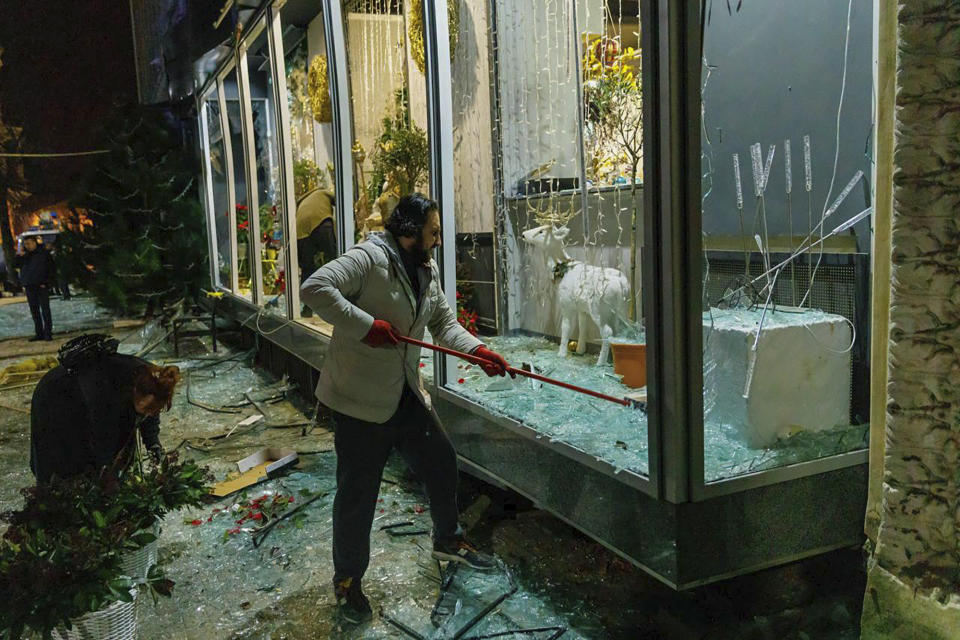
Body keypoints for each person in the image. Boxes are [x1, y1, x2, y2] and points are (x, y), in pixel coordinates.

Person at [301, 193, 512, 624]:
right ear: (409, 231)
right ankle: (347, 581)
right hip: (360, 402)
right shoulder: (368, 257)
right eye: (433, 232)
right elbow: (314, 288)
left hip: (404, 396)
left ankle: (448, 540)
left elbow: (444, 324)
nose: (437, 240)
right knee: (358, 495)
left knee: (441, 461)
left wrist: (479, 352)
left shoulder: (425, 270)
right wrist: (366, 327)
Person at [29, 334, 180, 484]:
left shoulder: (153, 381)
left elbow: (149, 413)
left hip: (91, 398)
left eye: (156, 409)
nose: (151, 413)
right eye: (148, 408)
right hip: (56, 399)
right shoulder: (104, 392)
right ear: (134, 392)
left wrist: (153, 443)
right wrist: (105, 472)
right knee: (64, 467)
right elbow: (102, 438)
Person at [295, 188, 337, 317]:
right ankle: (338, 305)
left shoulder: (303, 202)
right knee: (335, 261)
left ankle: (307, 309)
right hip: (321, 222)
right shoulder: (324, 192)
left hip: (301, 229)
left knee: (307, 268)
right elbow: (340, 199)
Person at [14, 236, 54, 341]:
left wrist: (46, 283)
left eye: (29, 243)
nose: (28, 246)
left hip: (41, 286)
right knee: (35, 311)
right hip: (29, 286)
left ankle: (48, 333)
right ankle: (39, 333)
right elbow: (15, 265)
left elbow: (50, 269)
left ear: (35, 242)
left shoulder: (43, 254)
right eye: (26, 244)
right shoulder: (25, 255)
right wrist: (19, 256)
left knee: (45, 310)